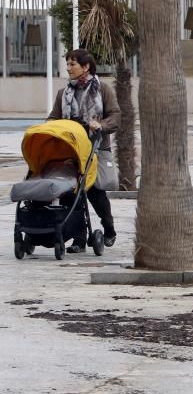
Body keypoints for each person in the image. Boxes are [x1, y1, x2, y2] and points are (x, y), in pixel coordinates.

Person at [48, 49, 120, 252]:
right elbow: (54, 117)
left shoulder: (102, 90)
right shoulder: (64, 94)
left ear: (86, 66)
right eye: (68, 64)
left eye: (73, 64)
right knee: (70, 194)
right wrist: (49, 128)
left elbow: (115, 116)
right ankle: (78, 239)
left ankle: (109, 227)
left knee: (96, 193)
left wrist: (101, 125)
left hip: (95, 148)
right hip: (71, 150)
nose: (68, 68)